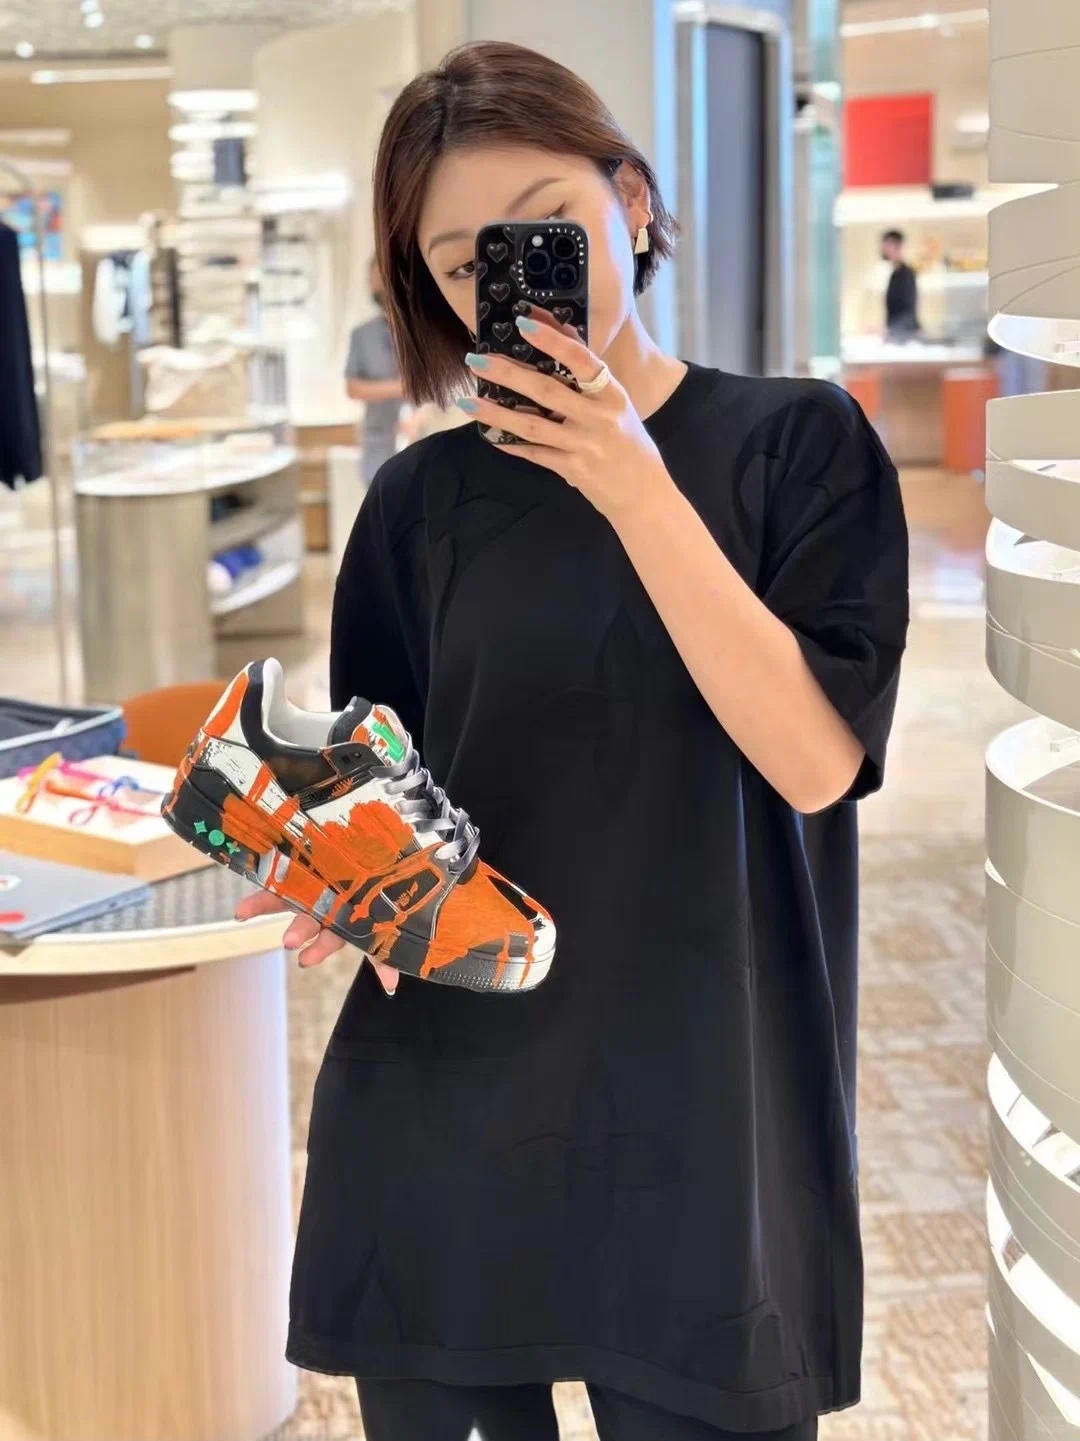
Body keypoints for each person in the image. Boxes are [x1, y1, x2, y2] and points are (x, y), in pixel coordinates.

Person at [238, 41, 909, 1441]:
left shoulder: (799, 445)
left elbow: (814, 764)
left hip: (705, 1103)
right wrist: (343, 876)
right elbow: (401, 798)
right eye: (462, 260)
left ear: (633, 201)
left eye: (542, 223)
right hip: (451, 1099)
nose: (510, 275)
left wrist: (631, 483)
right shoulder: (420, 506)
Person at [345, 257, 405, 484]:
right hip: (377, 441)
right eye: (373, 280)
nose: (377, 285)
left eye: (381, 277)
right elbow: (353, 389)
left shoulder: (426, 333)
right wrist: (402, 387)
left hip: (420, 434)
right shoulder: (362, 335)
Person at [881, 229, 919, 338]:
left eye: (888, 245)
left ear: (897, 247)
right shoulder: (894, 274)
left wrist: (890, 329)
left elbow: (908, 310)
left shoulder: (906, 274)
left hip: (904, 334)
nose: (884, 249)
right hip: (896, 332)